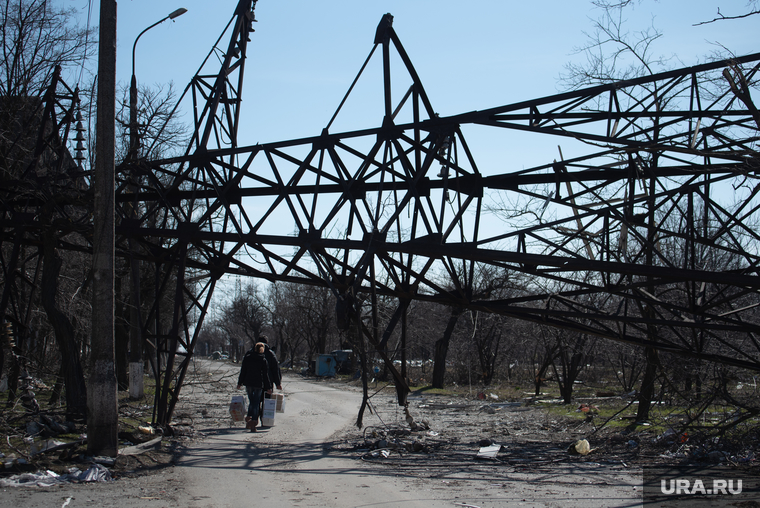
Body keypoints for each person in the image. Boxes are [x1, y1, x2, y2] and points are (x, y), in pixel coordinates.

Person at [236, 341, 271, 432]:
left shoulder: (247, 358)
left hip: (248, 383)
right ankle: (253, 421)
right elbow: (265, 375)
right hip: (258, 384)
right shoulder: (263, 360)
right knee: (256, 403)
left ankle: (249, 417)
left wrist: (239, 383)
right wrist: (268, 387)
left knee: (252, 401)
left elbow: (243, 371)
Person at [258, 336, 282, 425]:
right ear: (267, 343)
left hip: (255, 382)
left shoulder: (252, 352)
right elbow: (275, 369)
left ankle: (254, 418)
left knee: (256, 401)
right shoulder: (270, 354)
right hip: (268, 381)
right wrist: (278, 383)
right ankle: (264, 420)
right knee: (266, 401)